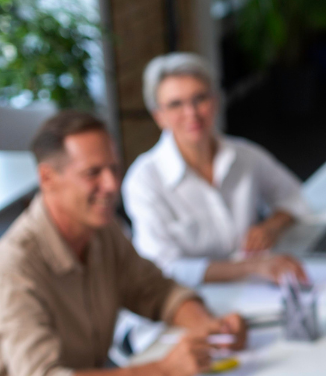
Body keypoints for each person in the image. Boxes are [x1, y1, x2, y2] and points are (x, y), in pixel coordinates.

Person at [0, 111, 254, 376]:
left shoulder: (101, 230)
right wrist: (165, 370)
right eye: (93, 173)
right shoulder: (13, 266)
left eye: (114, 167)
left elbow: (154, 290)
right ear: (48, 179)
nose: (112, 184)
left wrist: (209, 328)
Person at [123, 52, 309, 287]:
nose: (191, 113)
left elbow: (294, 196)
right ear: (159, 116)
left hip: (256, 288)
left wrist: (270, 227)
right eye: (175, 104)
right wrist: (251, 267)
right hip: (197, 298)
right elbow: (163, 266)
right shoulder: (144, 180)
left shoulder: (244, 155)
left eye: (199, 98)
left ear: (216, 101)